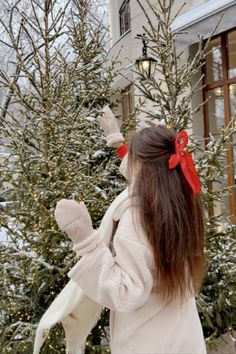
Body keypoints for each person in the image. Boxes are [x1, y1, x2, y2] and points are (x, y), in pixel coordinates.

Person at [54, 107, 207, 354]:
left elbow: (125, 292)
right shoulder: (179, 198)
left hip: (146, 342)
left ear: (142, 166)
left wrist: (84, 239)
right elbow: (147, 173)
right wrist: (118, 143)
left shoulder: (137, 216)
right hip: (182, 337)